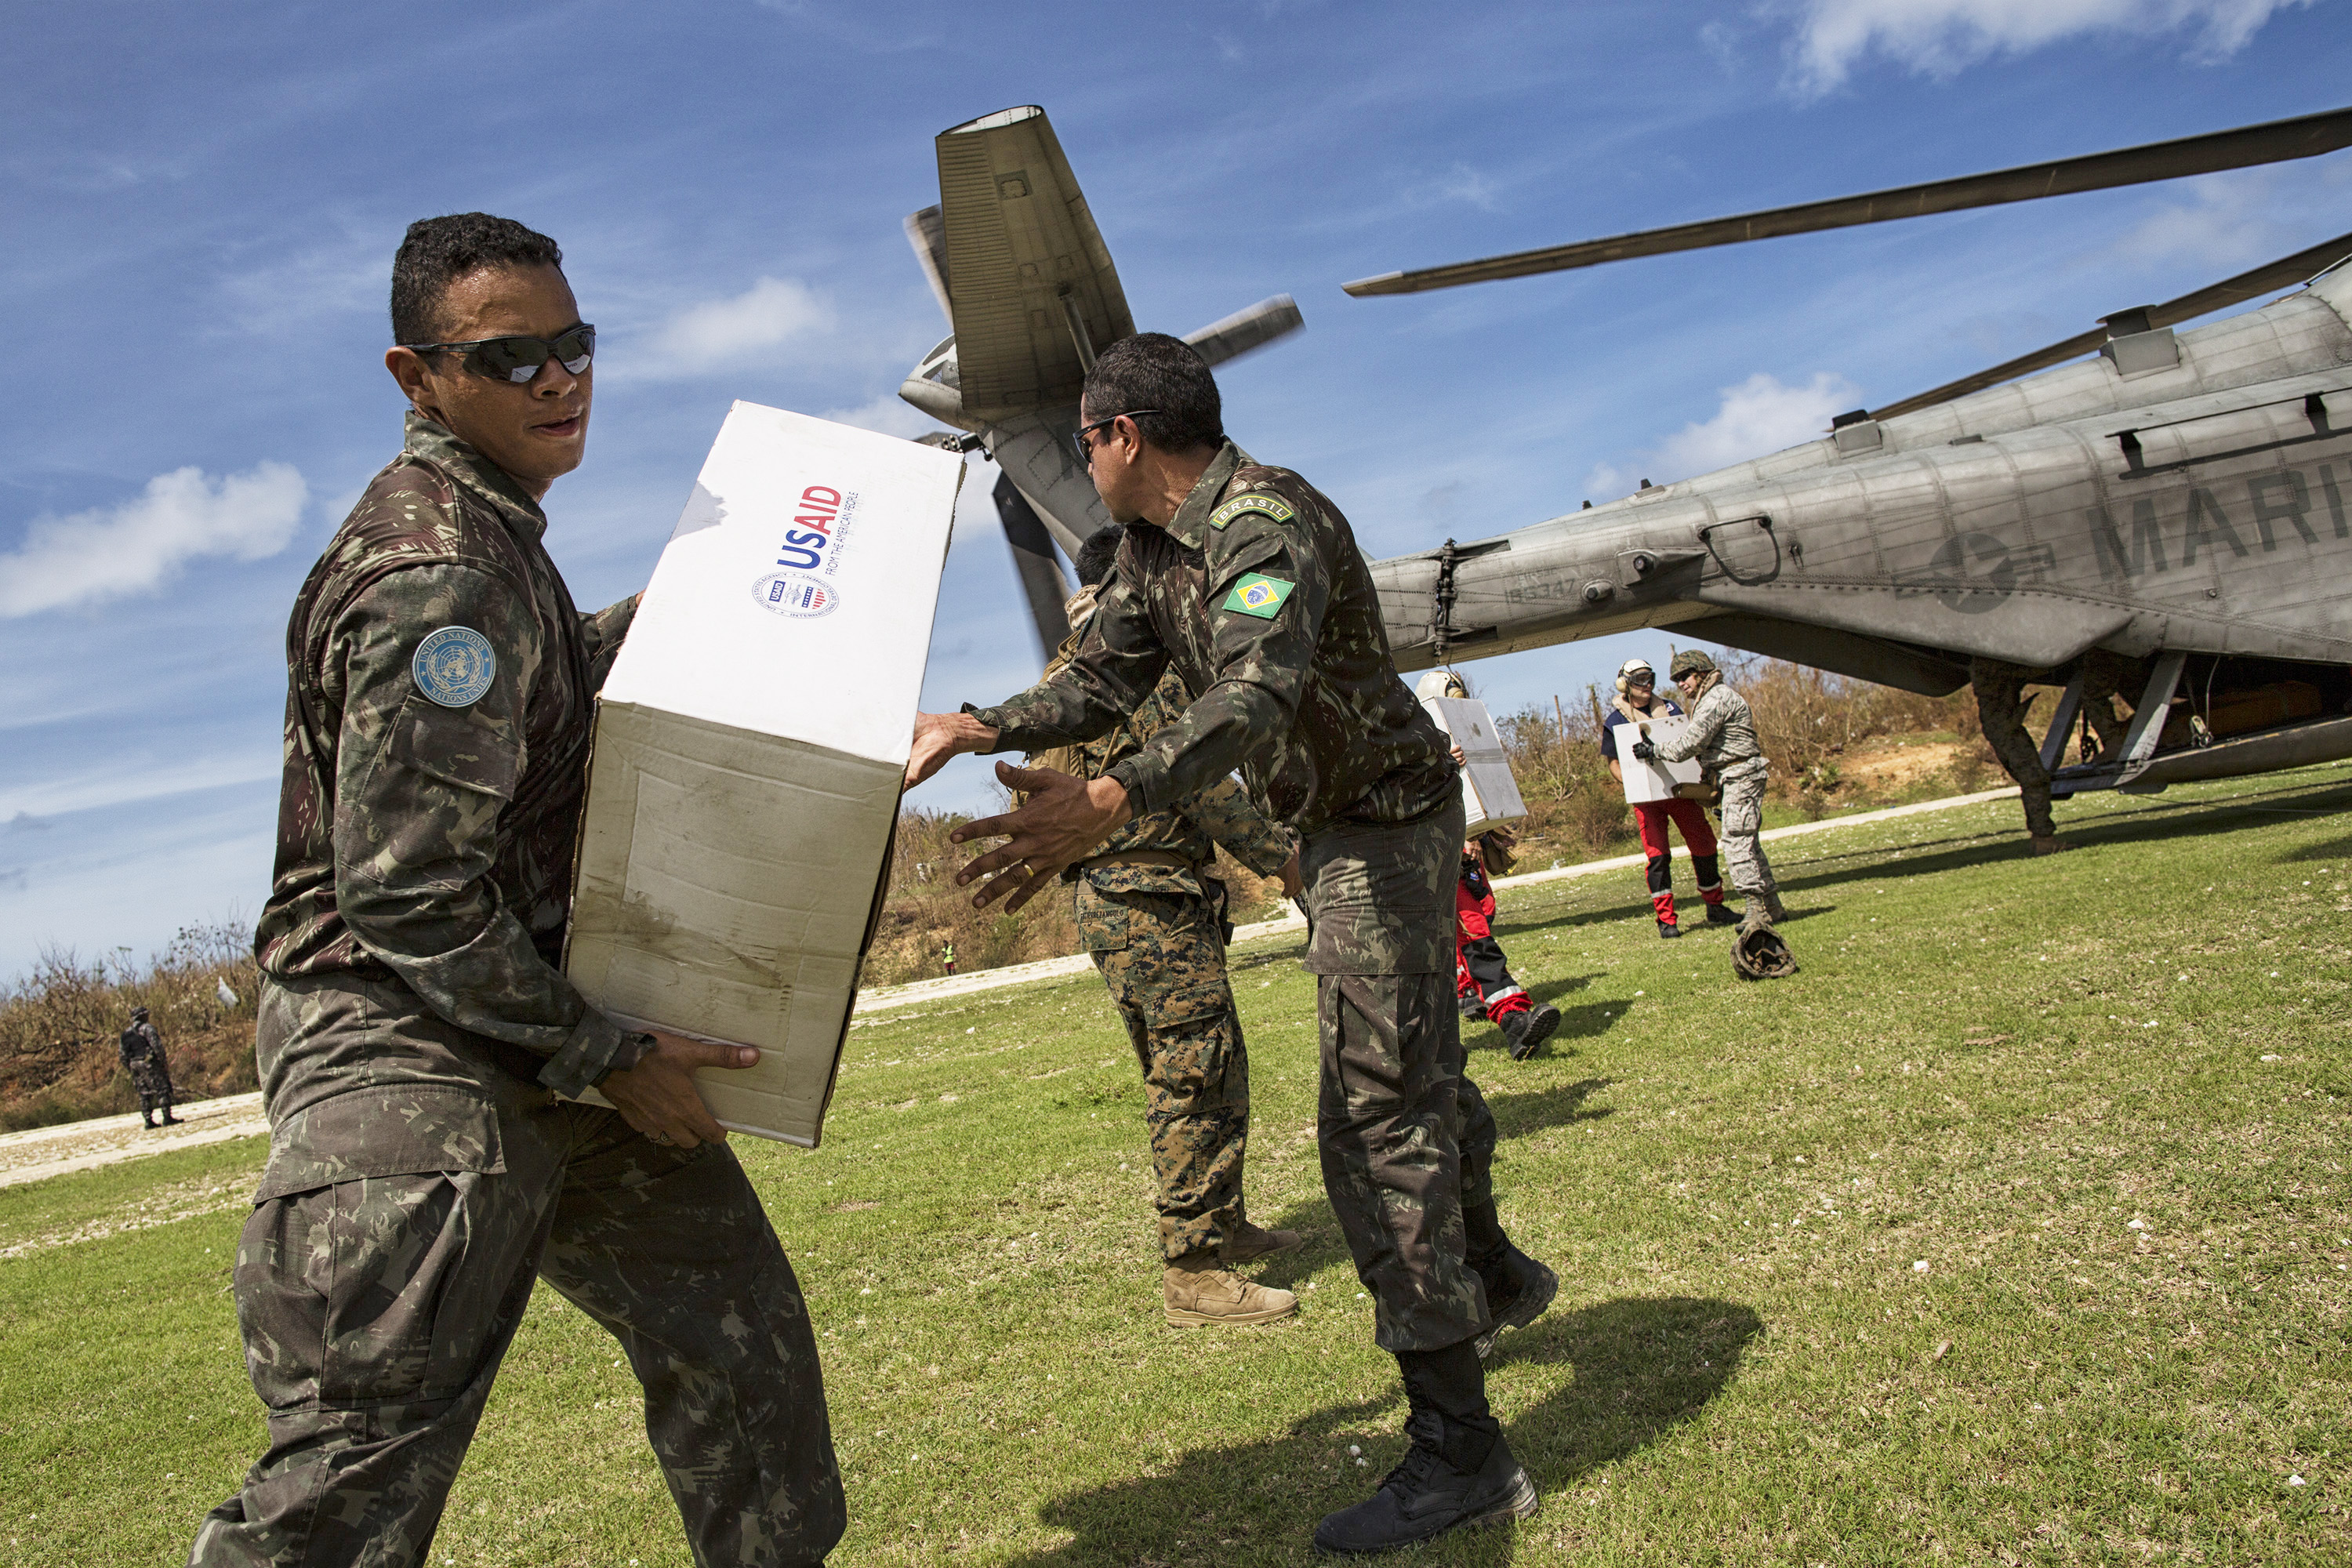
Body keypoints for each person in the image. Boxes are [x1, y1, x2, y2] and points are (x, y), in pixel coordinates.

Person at [193, 215, 843, 1567]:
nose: (560, 380)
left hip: (541, 1024)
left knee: (745, 1364)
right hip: (414, 1056)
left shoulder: (495, 550)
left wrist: (659, 615)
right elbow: (408, 893)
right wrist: (610, 1056)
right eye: (512, 357)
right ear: (417, 374)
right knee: (351, 1481)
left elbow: (529, 712)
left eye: (576, 344)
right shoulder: (444, 573)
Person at [904, 332, 1555, 1555]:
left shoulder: (1266, 523)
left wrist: (1113, 798)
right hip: (1331, 822)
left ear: (1119, 437)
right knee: (1414, 1074)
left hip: (1387, 820)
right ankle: (1499, 1275)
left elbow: (1251, 694)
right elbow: (1103, 681)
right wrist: (980, 718)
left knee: (1373, 1114)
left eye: (1081, 438)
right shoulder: (1151, 555)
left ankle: (1462, 1451)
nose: (1078, 459)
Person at [1044, 525, 1308, 1327]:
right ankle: (1193, 1271)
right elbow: (1198, 779)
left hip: (1136, 893)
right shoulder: (1127, 665)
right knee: (1192, 1071)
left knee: (1209, 1062)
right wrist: (1284, 862)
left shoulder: (1070, 667)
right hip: (1146, 894)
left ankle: (1221, 1222)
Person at [1633, 651, 1786, 926]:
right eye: (1677, 679)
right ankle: (1772, 906)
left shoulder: (1714, 699)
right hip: (1735, 775)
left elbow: (1691, 744)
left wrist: (1653, 749)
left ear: (1700, 673)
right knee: (1750, 845)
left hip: (1739, 774)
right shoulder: (1712, 697)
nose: (1681, 683)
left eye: (1684, 676)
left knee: (1737, 843)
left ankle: (1756, 909)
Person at [1599, 657, 1735, 938]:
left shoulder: (1670, 709)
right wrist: (1634, 782)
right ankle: (1666, 920)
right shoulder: (1614, 721)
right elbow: (1613, 763)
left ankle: (1716, 906)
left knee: (1705, 844)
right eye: (1639, 679)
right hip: (1647, 800)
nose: (1647, 684)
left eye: (1650, 677)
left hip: (1679, 790)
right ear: (1625, 684)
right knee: (1658, 856)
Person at [1452, 837, 1563, 1058]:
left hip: (1445, 844)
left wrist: (1480, 833)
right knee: (1470, 930)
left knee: (1478, 923)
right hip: (1419, 850)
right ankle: (1506, 1013)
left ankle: (1509, 1015)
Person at [1969, 655, 2068, 854]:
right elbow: (2021, 671)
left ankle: (2041, 838)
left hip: (2004, 727)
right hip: (2006, 730)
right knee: (2035, 780)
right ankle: (2043, 838)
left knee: (2032, 780)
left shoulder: (1983, 661)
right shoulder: (1988, 662)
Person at [118, 1006, 180, 1128]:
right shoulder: (147, 1028)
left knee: (144, 1093)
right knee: (162, 1089)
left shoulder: (125, 1034)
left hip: (134, 1065)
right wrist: (163, 1062)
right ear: (142, 1016)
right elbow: (157, 1046)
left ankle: (148, 1120)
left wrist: (130, 1068)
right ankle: (167, 1117)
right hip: (148, 1063)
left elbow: (122, 1054)